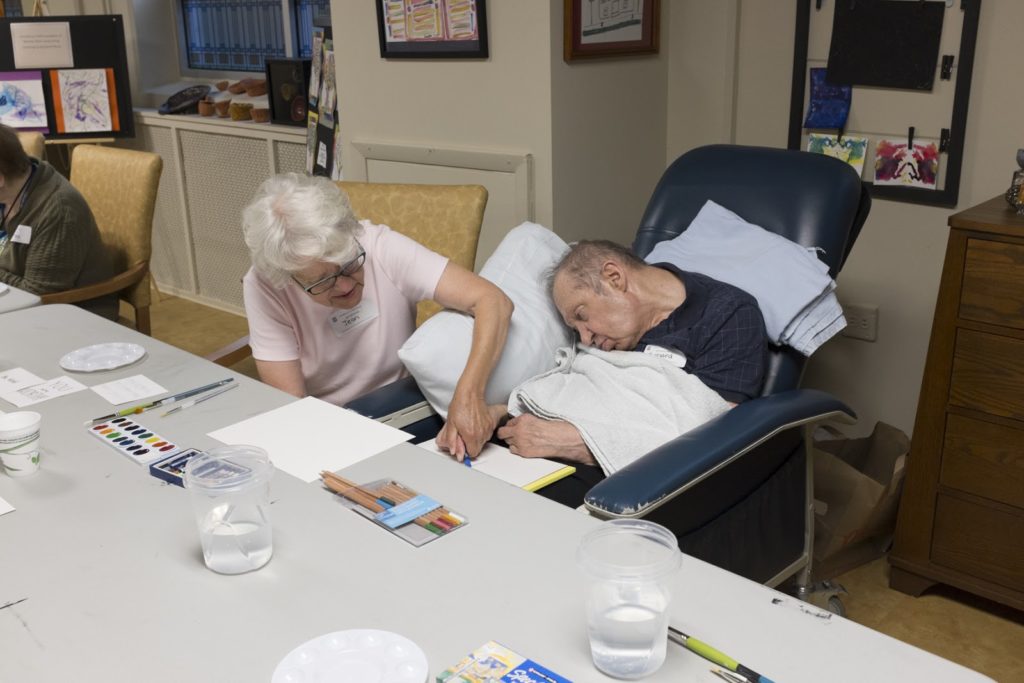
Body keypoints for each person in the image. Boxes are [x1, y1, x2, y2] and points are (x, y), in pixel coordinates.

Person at [241, 173, 513, 459]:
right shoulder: (265, 284)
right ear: (288, 276)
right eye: (322, 282)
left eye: (349, 265)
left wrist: (468, 395)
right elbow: (292, 406)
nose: (345, 286)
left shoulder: (377, 246)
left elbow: (492, 300)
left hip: (401, 406)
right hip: (326, 422)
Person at [496, 239, 767, 506]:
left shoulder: (728, 315)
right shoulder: (613, 335)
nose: (586, 339)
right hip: (551, 438)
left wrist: (580, 443)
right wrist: (499, 412)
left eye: (582, 315)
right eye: (575, 329)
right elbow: (586, 386)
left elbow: (712, 435)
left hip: (627, 474)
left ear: (614, 278)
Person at [0, 124, 116, 319]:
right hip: (13, 304)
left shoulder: (59, 210)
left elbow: (39, 295)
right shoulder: (11, 191)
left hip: (72, 318)